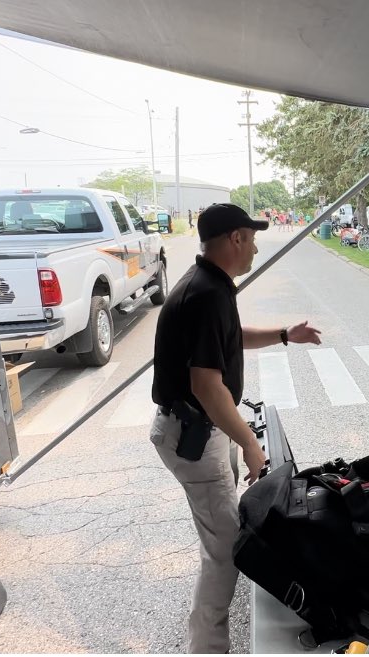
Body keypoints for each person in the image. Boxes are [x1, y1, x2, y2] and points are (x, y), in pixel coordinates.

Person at [149, 203, 323, 653]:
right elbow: (205, 385)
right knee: (226, 552)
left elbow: (231, 336)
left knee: (222, 533)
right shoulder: (206, 293)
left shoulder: (210, 286)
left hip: (205, 429)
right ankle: (207, 647)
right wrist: (250, 442)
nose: (256, 245)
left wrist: (286, 334)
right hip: (193, 435)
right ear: (235, 239)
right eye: (251, 235)